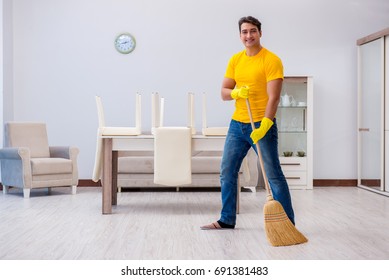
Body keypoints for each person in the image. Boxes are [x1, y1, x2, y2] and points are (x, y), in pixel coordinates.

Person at [201, 16, 295, 230]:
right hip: (238, 125)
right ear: (240, 35)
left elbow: (274, 97)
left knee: (273, 175)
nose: (248, 35)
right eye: (244, 32)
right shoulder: (236, 60)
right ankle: (226, 219)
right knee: (227, 171)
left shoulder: (271, 60)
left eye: (252, 31)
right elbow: (224, 93)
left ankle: (287, 225)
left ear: (260, 33)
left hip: (262, 124)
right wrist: (236, 92)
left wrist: (265, 125)